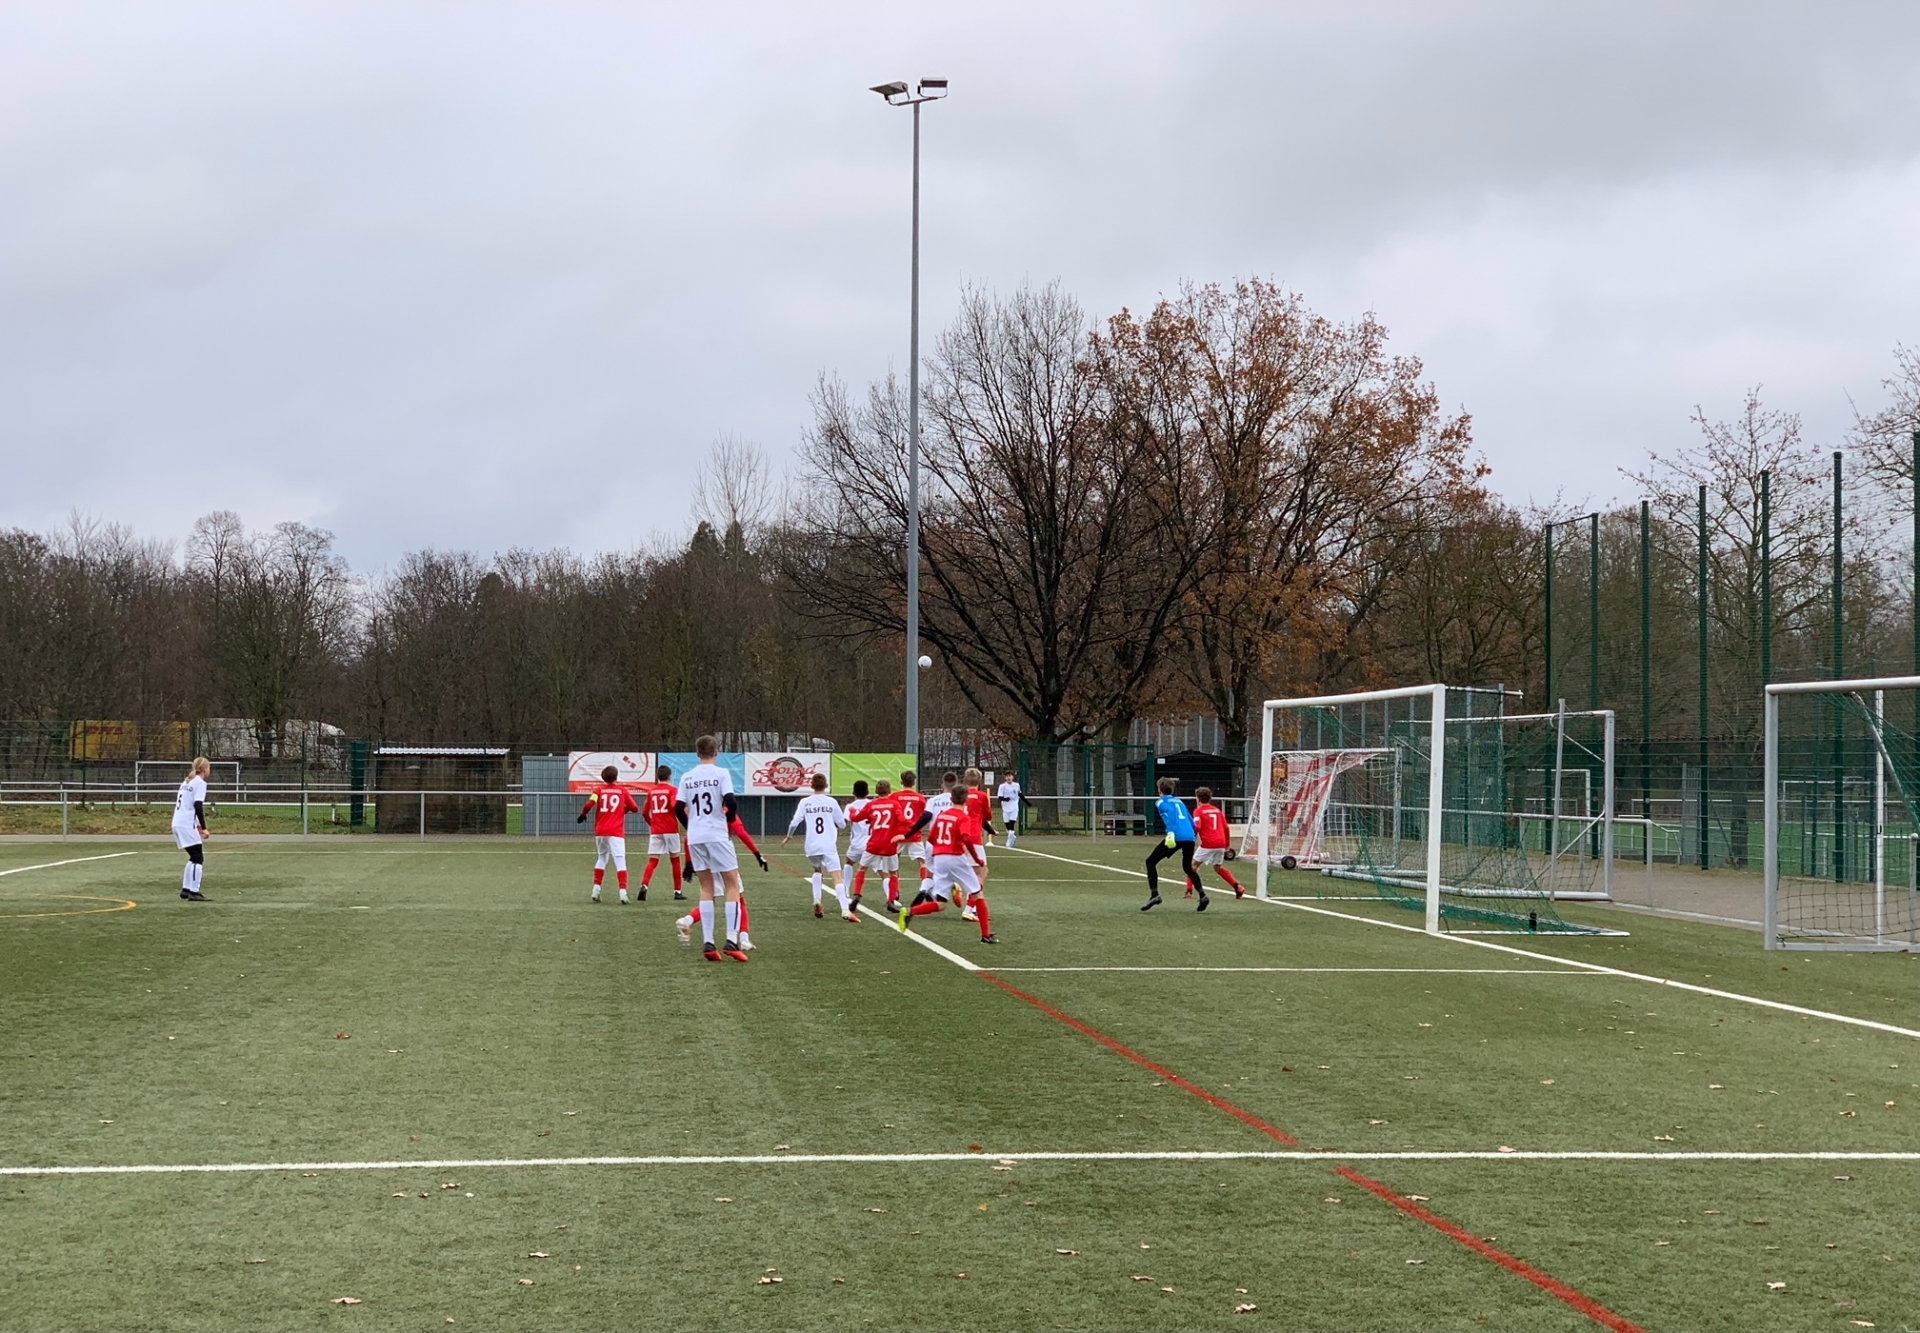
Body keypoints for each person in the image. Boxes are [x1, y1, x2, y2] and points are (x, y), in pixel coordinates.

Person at [675, 736, 749, 962]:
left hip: (696, 837)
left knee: (706, 887)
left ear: (697, 753)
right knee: (732, 884)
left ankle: (708, 943)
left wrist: (691, 826)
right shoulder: (721, 773)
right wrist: (729, 819)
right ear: (716, 751)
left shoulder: (687, 777)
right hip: (716, 834)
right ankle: (731, 940)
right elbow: (731, 801)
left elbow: (678, 807)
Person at [898, 790, 997, 944]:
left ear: (951, 799)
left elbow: (932, 838)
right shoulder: (963, 817)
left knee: (941, 904)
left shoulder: (942, 815)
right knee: (977, 894)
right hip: (955, 858)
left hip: (940, 859)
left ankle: (910, 911)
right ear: (966, 800)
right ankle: (986, 935)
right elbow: (966, 837)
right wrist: (977, 858)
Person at [784, 772, 857, 922]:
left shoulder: (805, 802)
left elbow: (794, 822)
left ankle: (817, 900)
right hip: (828, 845)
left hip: (811, 846)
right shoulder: (831, 802)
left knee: (817, 870)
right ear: (826, 785)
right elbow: (842, 824)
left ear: (812, 786)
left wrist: (789, 836)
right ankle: (845, 910)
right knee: (837, 877)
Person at [578, 765, 642, 902]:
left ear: (603, 778)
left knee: (602, 858)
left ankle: (596, 890)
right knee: (620, 860)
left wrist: (583, 814)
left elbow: (589, 804)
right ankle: (623, 893)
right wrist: (622, 811)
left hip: (600, 831)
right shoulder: (622, 791)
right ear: (616, 777)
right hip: (616, 832)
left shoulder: (599, 790)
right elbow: (635, 808)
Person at [1143, 776, 1207, 912]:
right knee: (1188, 868)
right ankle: (1202, 895)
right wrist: (1192, 834)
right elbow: (1191, 821)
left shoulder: (1160, 802)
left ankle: (1154, 895)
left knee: (1151, 861)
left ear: (1159, 790)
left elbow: (1171, 813)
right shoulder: (1179, 801)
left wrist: (1171, 832)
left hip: (1176, 835)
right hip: (1189, 836)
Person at [851, 778, 904, 911]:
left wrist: (852, 811)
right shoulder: (895, 804)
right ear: (889, 790)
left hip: (874, 843)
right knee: (893, 873)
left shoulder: (871, 805)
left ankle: (857, 894)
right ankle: (891, 901)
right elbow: (902, 819)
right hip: (890, 844)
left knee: (862, 869)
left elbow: (855, 818)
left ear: (876, 791)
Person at [640, 764, 685, 900]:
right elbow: (674, 805)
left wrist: (652, 823)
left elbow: (644, 812)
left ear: (657, 777)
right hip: (670, 829)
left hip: (656, 830)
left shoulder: (652, 791)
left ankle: (644, 885)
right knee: (675, 860)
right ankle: (677, 891)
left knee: (653, 860)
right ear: (670, 776)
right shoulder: (673, 790)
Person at [1192, 786, 1245, 899]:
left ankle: (1188, 891)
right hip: (1221, 843)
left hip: (1208, 843)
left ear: (1198, 799)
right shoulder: (1217, 811)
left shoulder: (1198, 811)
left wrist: (1191, 836)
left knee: (1193, 866)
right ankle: (1237, 886)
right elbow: (1226, 827)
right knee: (1218, 868)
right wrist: (1227, 844)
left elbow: (1197, 826)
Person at [172, 756, 212, 901]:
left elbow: (188, 805)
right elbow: (197, 805)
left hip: (178, 822)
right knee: (198, 858)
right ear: (205, 769)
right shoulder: (200, 783)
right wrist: (204, 827)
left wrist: (198, 826)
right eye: (209, 767)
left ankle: (186, 889)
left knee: (193, 856)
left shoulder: (186, 782)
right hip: (186, 824)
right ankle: (194, 892)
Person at [895, 771, 930, 888]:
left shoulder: (894, 796)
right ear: (914, 782)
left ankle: (895, 890)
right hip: (915, 834)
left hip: (899, 834)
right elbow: (926, 814)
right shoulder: (920, 798)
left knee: (894, 862)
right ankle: (925, 887)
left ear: (901, 782)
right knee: (922, 862)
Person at [843, 779, 873, 909]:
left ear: (853, 792)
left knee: (849, 862)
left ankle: (845, 891)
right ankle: (892, 898)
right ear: (868, 792)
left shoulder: (850, 806)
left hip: (856, 844)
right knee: (884, 871)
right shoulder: (873, 804)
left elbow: (843, 823)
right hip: (872, 843)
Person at [995, 772, 1022, 848]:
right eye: (1007, 776)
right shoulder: (1002, 786)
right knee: (1007, 826)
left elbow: (1019, 793)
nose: (1008, 778)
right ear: (1005, 778)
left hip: (1014, 808)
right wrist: (1006, 799)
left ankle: (1009, 841)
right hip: (1006, 809)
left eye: (1010, 776)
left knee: (1011, 824)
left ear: (1013, 777)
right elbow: (1000, 797)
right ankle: (1012, 837)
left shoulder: (1016, 785)